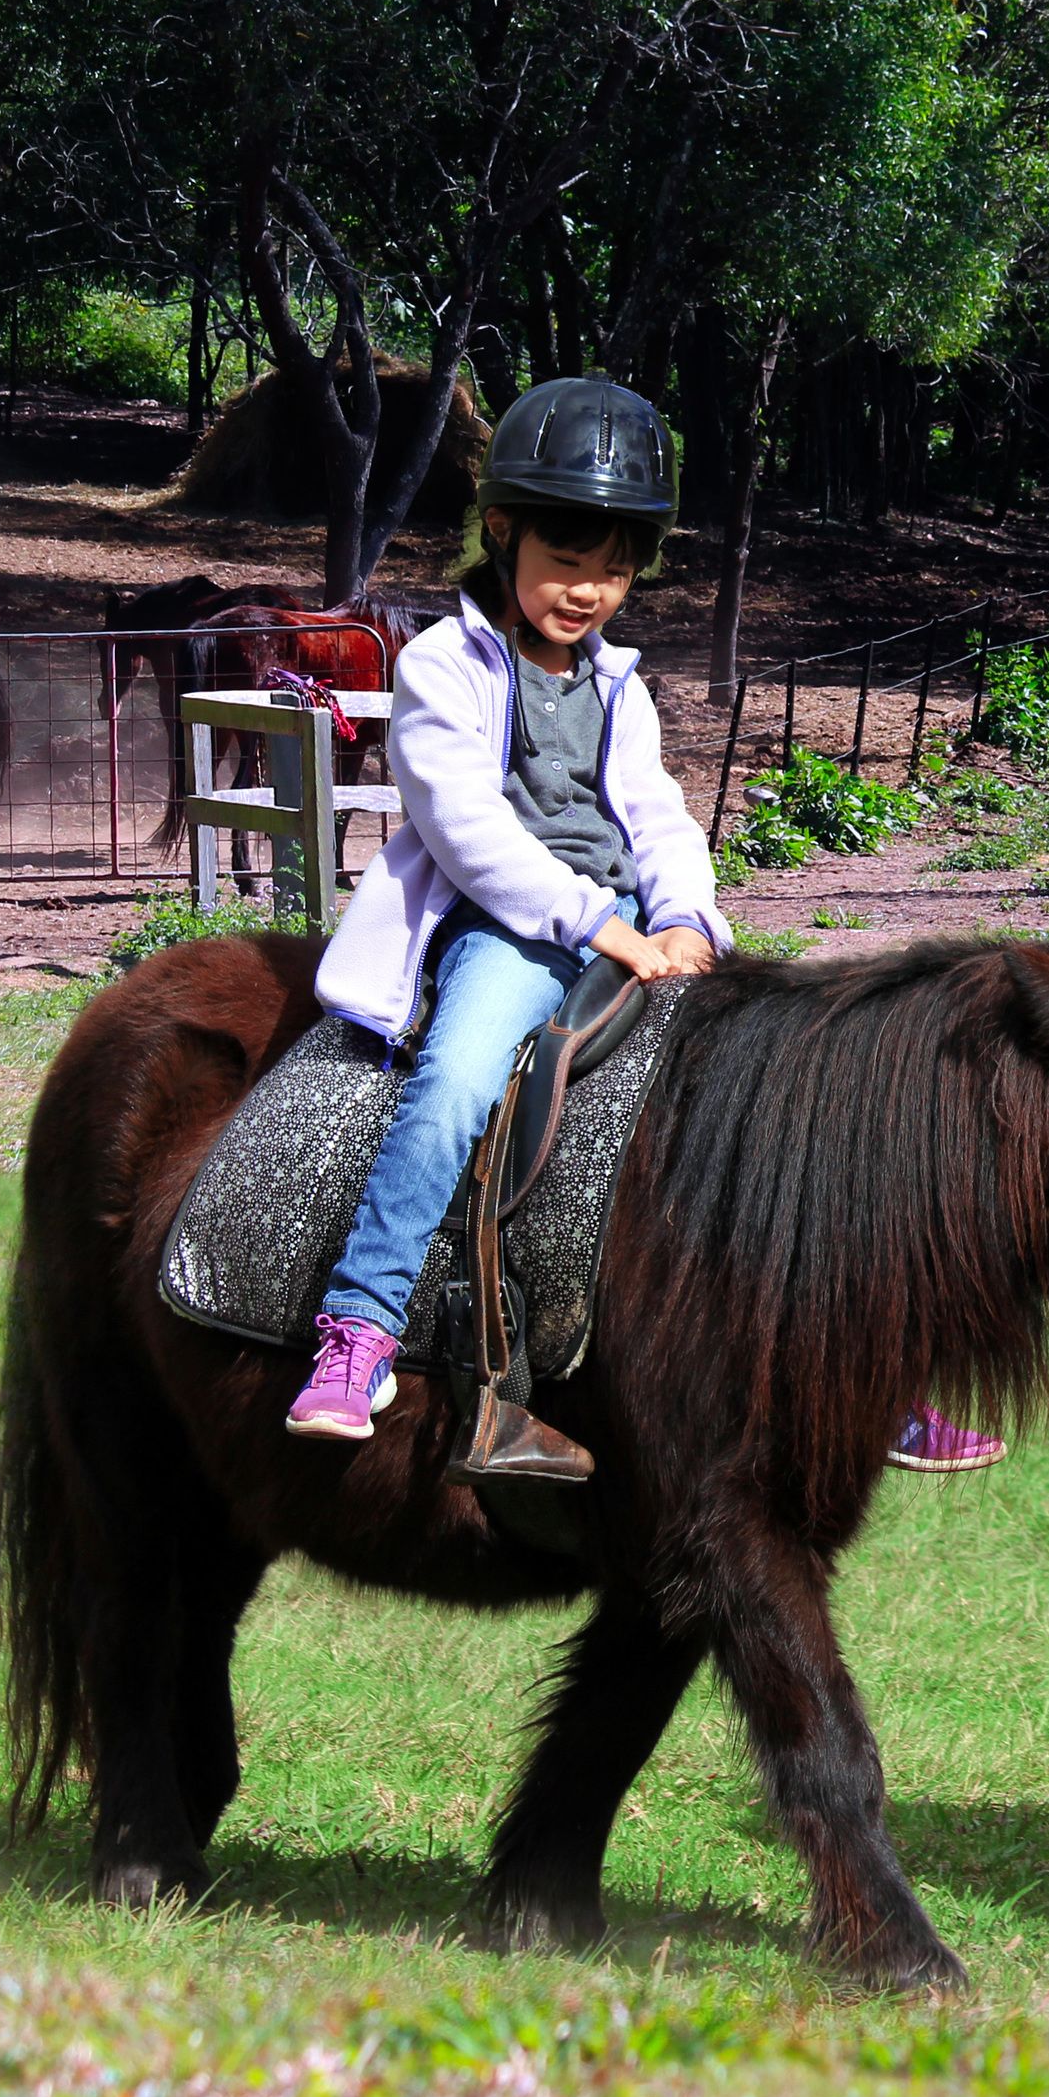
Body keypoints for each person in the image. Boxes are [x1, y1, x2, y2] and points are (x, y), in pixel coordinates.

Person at [288, 379, 729, 1447]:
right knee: (454, 1084)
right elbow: (465, 827)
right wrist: (599, 925)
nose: (589, 592)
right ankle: (362, 1323)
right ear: (501, 531)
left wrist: (687, 921)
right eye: (568, 563)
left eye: (616, 570)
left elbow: (657, 814)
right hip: (513, 927)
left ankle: (841, 1352)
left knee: (764, 1096)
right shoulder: (446, 664)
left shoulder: (620, 685)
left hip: (622, 915)